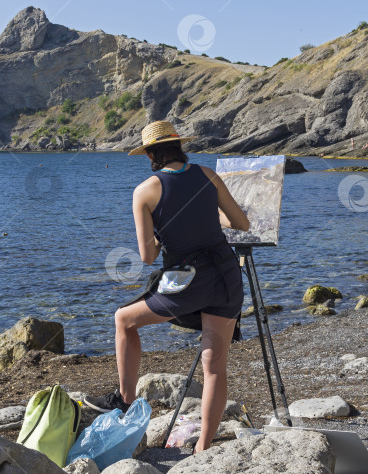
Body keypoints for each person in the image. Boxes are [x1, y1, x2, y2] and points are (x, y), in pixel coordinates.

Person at [85, 121, 249, 454]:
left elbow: (148, 256)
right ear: (178, 145)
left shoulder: (145, 190)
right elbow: (241, 224)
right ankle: (203, 447)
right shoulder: (207, 174)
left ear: (148, 153)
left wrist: (163, 234)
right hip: (225, 275)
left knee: (123, 320)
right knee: (214, 366)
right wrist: (210, 218)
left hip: (187, 281)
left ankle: (125, 399)